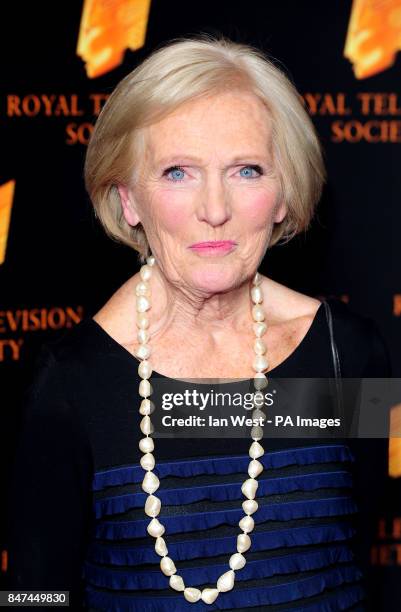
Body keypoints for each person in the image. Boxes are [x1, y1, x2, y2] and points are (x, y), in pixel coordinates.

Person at [7, 34, 391, 611]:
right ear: (129, 199)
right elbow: (33, 593)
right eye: (178, 172)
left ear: (284, 194)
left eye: (247, 170)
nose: (215, 208)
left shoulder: (350, 351)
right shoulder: (70, 383)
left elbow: (357, 549)